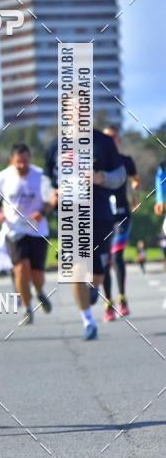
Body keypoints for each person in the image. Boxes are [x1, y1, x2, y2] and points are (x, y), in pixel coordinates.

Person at [46, 127, 125, 340]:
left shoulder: (103, 141)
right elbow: (46, 180)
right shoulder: (56, 144)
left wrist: (101, 177)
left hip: (99, 214)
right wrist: (50, 193)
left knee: (98, 272)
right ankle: (88, 321)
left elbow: (120, 176)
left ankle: (94, 287)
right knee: (77, 267)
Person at [0, 143, 53, 325]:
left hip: (38, 231)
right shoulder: (3, 176)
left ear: (30, 159)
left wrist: (43, 212)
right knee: (21, 269)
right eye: (18, 162)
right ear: (11, 160)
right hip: (14, 230)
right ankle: (26, 308)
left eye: (25, 161)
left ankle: (39, 291)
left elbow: (52, 198)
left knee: (37, 275)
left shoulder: (40, 176)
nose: (22, 165)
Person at [101, 126, 141, 320]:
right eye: (106, 137)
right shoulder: (98, 162)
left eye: (113, 137)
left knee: (117, 256)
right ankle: (108, 303)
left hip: (122, 215)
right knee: (105, 259)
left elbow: (135, 180)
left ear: (118, 139)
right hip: (103, 217)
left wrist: (135, 192)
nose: (110, 140)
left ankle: (122, 298)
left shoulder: (126, 161)